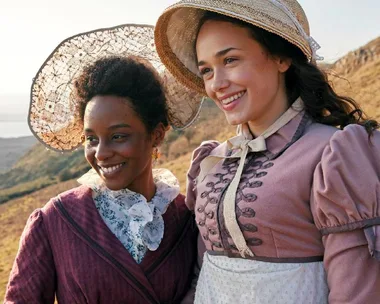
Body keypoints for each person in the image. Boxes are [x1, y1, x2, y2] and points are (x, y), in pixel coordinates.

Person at [154, 0, 380, 303]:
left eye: (230, 60)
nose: (217, 84)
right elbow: (200, 274)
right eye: (206, 70)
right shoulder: (211, 162)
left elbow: (358, 291)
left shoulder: (333, 154)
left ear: (281, 58)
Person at [4, 25, 198, 303]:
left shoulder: (188, 217)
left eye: (118, 136)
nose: (101, 153)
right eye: (91, 138)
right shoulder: (54, 221)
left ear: (156, 134)